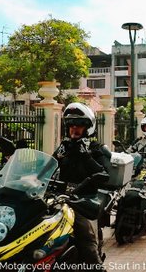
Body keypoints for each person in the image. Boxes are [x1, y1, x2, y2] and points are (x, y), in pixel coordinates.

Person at [53, 102, 110, 270]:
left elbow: (103, 174)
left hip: (84, 200)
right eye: (71, 125)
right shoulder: (64, 147)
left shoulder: (95, 148)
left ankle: (97, 267)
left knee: (85, 236)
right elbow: (48, 166)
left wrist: (86, 156)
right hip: (60, 199)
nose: (74, 129)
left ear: (88, 128)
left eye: (79, 125)